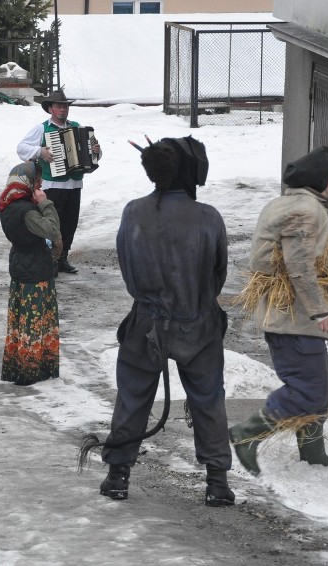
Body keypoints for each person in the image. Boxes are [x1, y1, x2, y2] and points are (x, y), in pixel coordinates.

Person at [94, 136, 236, 507]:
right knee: (207, 400)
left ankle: (118, 476)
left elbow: (127, 270)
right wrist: (193, 300)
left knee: (133, 397)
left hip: (146, 325)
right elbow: (217, 276)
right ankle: (217, 483)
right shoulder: (209, 217)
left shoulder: (133, 213)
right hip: (199, 325)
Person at [228, 146, 328, 475]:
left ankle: (313, 451)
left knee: (320, 383)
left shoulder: (288, 203)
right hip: (293, 319)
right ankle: (246, 433)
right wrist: (319, 311)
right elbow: (299, 267)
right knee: (308, 389)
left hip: (291, 317)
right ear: (325, 177)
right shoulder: (305, 211)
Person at [16, 89, 100, 276]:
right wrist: (40, 152)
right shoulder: (42, 128)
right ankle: (50, 259)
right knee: (53, 223)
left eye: (65, 106)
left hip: (75, 184)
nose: (63, 109)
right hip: (52, 185)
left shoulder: (78, 127)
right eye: (59, 106)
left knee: (70, 223)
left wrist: (95, 150)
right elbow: (21, 148)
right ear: (50, 109)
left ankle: (63, 258)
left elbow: (94, 156)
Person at [0, 161, 61, 386]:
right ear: (28, 182)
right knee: (34, 322)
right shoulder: (26, 211)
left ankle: (18, 366)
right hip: (35, 269)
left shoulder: (7, 204)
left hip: (19, 265)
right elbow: (52, 230)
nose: (41, 183)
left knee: (21, 321)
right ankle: (30, 370)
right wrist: (45, 204)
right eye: (37, 180)